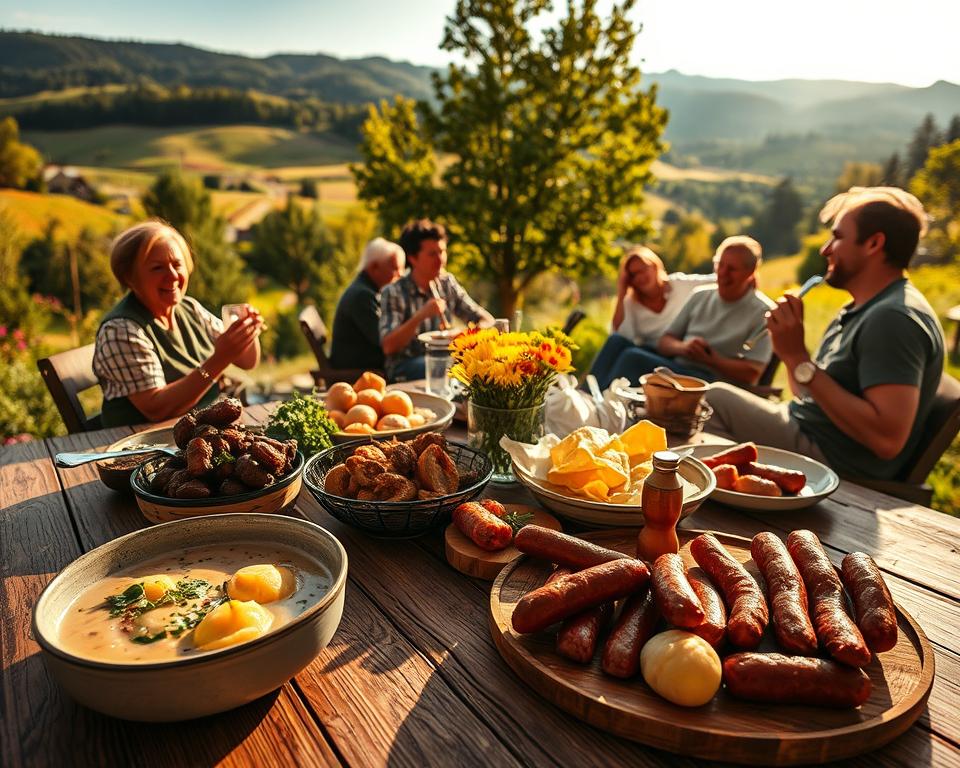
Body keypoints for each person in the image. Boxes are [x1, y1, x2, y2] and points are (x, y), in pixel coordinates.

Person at [705, 187, 944, 481]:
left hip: (831, 459)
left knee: (709, 401)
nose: (825, 249)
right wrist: (789, 351)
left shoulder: (893, 319)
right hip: (808, 428)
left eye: (838, 236)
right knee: (703, 401)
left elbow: (887, 440)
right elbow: (805, 392)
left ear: (874, 243)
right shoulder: (861, 308)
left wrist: (798, 357)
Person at [93, 220, 264, 427]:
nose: (172, 276)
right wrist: (220, 358)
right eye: (157, 268)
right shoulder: (121, 330)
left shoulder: (190, 309)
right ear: (130, 277)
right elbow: (157, 409)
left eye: (177, 264)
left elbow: (247, 361)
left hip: (195, 434)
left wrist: (247, 332)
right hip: (137, 444)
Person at [591, 236, 775, 388]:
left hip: (707, 379)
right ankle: (585, 398)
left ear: (750, 271)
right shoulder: (700, 295)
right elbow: (665, 342)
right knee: (617, 342)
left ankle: (600, 411)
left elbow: (752, 373)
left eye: (732, 269)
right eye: (720, 265)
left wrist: (711, 360)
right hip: (678, 365)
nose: (723, 273)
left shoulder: (762, 312)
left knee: (632, 357)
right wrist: (684, 348)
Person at [379, 219, 494, 381]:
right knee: (454, 367)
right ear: (412, 258)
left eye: (442, 251)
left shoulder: (446, 283)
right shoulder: (393, 292)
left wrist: (465, 335)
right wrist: (421, 316)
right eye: (432, 254)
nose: (440, 259)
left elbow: (487, 320)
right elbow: (388, 346)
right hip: (405, 366)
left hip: (445, 359)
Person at [589, 246, 714, 389]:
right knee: (615, 341)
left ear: (655, 266)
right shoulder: (631, 302)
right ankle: (584, 394)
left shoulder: (680, 284)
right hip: (651, 353)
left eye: (643, 269)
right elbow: (621, 335)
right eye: (633, 275)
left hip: (677, 355)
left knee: (631, 355)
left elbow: (715, 280)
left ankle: (601, 399)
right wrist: (622, 291)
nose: (640, 277)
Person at [329, 237, 404, 371]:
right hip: (358, 368)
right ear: (374, 267)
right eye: (395, 268)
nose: (400, 275)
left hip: (362, 362)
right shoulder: (362, 295)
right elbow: (384, 340)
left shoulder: (366, 289)